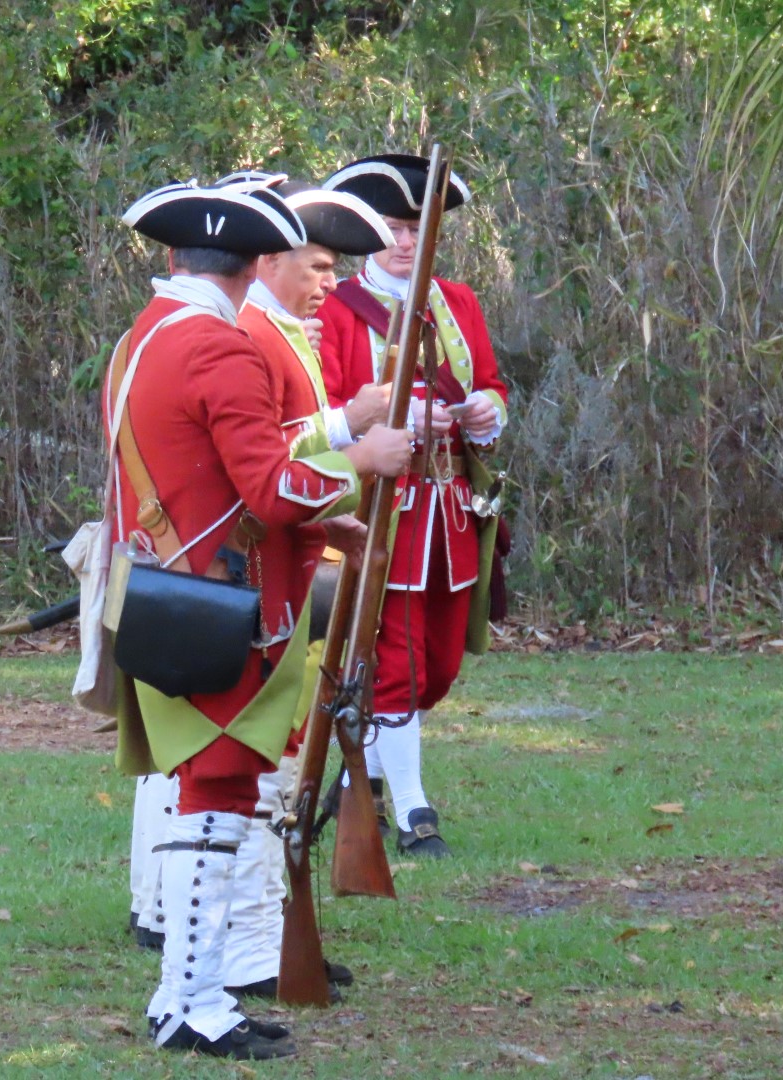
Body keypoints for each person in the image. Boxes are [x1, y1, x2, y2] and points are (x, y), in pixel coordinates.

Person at [109, 179, 413, 1059]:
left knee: (209, 796)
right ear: (251, 267)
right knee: (217, 799)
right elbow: (271, 486)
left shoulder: (148, 333)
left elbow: (206, 479)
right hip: (225, 608)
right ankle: (190, 1003)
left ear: (177, 257)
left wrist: (323, 521)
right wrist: (362, 460)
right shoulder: (218, 346)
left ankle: (189, 993)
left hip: (171, 596)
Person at [221, 177, 395, 1004]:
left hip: (294, 562)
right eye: (316, 265)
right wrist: (354, 438)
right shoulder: (252, 333)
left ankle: (263, 940)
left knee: (283, 764)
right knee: (264, 770)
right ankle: (254, 947)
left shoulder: (280, 331)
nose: (331, 282)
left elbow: (284, 449)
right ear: (268, 263)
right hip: (264, 575)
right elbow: (265, 466)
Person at [316, 153, 509, 858]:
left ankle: (358, 774)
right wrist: (390, 426)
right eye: (392, 228)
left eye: (416, 229)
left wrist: (485, 411)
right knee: (397, 664)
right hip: (379, 509)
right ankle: (413, 813)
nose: (404, 242)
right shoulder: (337, 308)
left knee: (439, 665)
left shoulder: (457, 301)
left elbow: (490, 385)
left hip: (450, 512)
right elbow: (322, 413)